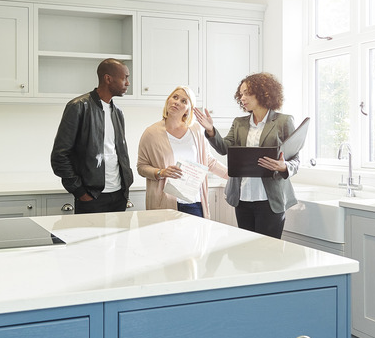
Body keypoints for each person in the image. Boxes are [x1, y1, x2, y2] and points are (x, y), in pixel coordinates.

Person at [194, 72, 299, 238]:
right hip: (242, 198)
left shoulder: (283, 122)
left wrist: (284, 166)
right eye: (241, 94)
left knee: (268, 251)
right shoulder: (239, 123)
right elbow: (224, 148)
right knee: (246, 252)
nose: (242, 98)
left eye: (247, 93)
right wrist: (210, 130)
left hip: (270, 200)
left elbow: (295, 159)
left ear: (264, 93)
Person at [50, 58, 134, 214]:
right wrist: (80, 192)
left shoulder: (118, 113)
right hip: (92, 197)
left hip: (119, 195)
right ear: (108, 79)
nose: (128, 83)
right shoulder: (78, 107)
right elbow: (59, 156)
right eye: (125, 77)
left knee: (119, 239)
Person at [137, 86, 228, 218]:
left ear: (188, 110)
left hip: (194, 202)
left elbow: (209, 162)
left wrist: (234, 176)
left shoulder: (197, 130)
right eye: (175, 97)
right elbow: (141, 167)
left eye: (184, 101)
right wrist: (160, 172)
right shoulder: (151, 133)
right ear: (168, 100)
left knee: (197, 238)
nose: (177, 102)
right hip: (165, 202)